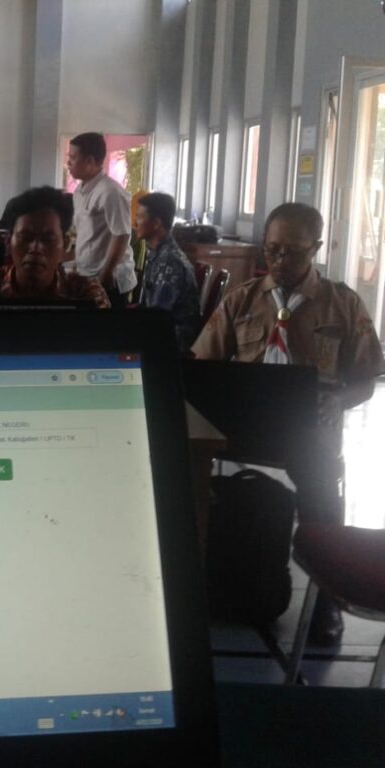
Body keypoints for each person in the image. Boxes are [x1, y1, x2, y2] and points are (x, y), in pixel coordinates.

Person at [193, 202, 385, 644]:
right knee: (187, 462)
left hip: (308, 428)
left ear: (316, 248)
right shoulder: (242, 299)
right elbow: (203, 362)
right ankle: (198, 575)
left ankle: (325, 600)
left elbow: (365, 380)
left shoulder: (342, 303)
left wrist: (338, 401)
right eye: (273, 249)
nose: (281, 261)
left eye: (294, 252)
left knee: (321, 480)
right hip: (244, 421)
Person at [0, 186, 109, 308]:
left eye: (48, 239)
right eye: (25, 238)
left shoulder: (86, 295)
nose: (36, 248)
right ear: (9, 242)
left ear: (65, 244)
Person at [67, 132, 137, 307]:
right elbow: (84, 234)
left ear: (89, 161)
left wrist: (107, 273)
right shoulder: (79, 191)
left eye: (73, 158)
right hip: (88, 275)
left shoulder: (110, 192)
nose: (68, 163)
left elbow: (122, 235)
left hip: (109, 278)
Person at [133, 192, 200, 352]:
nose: (135, 223)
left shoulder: (169, 262)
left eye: (140, 217)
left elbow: (157, 318)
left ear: (156, 223)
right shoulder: (158, 253)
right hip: (160, 331)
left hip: (172, 341)